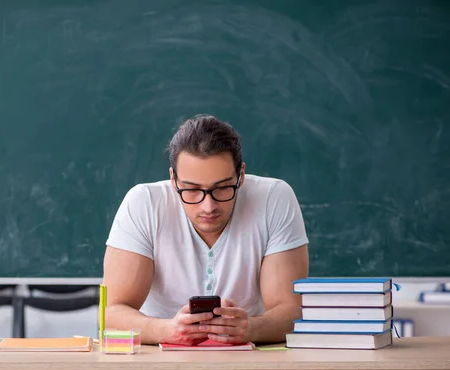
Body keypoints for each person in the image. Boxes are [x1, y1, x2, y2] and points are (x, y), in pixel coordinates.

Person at [102, 114, 309, 346]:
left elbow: (292, 311)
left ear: (240, 175)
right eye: (191, 190)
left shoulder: (273, 198)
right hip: (158, 362)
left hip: (250, 360)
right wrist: (167, 330)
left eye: (222, 188)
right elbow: (110, 315)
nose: (208, 206)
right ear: (173, 180)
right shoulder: (144, 204)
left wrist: (251, 328)